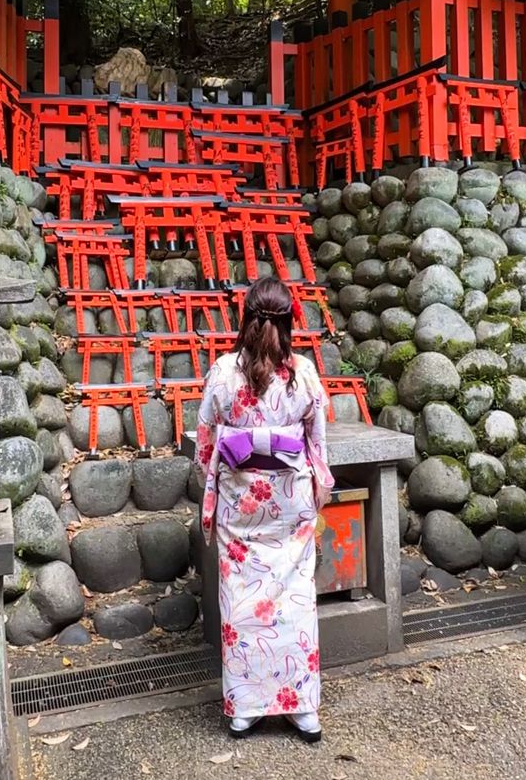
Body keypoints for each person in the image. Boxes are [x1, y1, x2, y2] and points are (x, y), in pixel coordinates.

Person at [194, 277, 333, 743]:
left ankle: (245, 708)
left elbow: (206, 441)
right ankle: (302, 709)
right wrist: (317, 482)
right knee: (295, 598)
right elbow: (317, 440)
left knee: (242, 601)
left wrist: (219, 474)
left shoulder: (223, 373)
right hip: (290, 502)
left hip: (241, 500)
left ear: (246, 318)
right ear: (289, 320)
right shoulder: (304, 373)